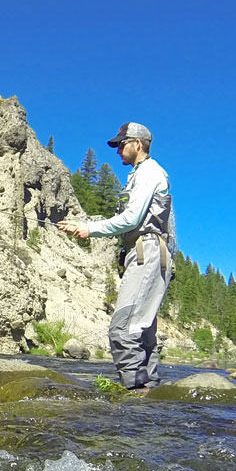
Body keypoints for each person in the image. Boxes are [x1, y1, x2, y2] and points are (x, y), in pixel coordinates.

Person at [57, 121, 177, 391]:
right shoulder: (142, 173)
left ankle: (133, 391)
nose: (118, 149)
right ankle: (150, 392)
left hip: (146, 252)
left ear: (138, 144)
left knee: (122, 328)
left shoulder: (149, 172)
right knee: (144, 332)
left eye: (122, 144)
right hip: (149, 253)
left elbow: (131, 219)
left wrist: (89, 229)